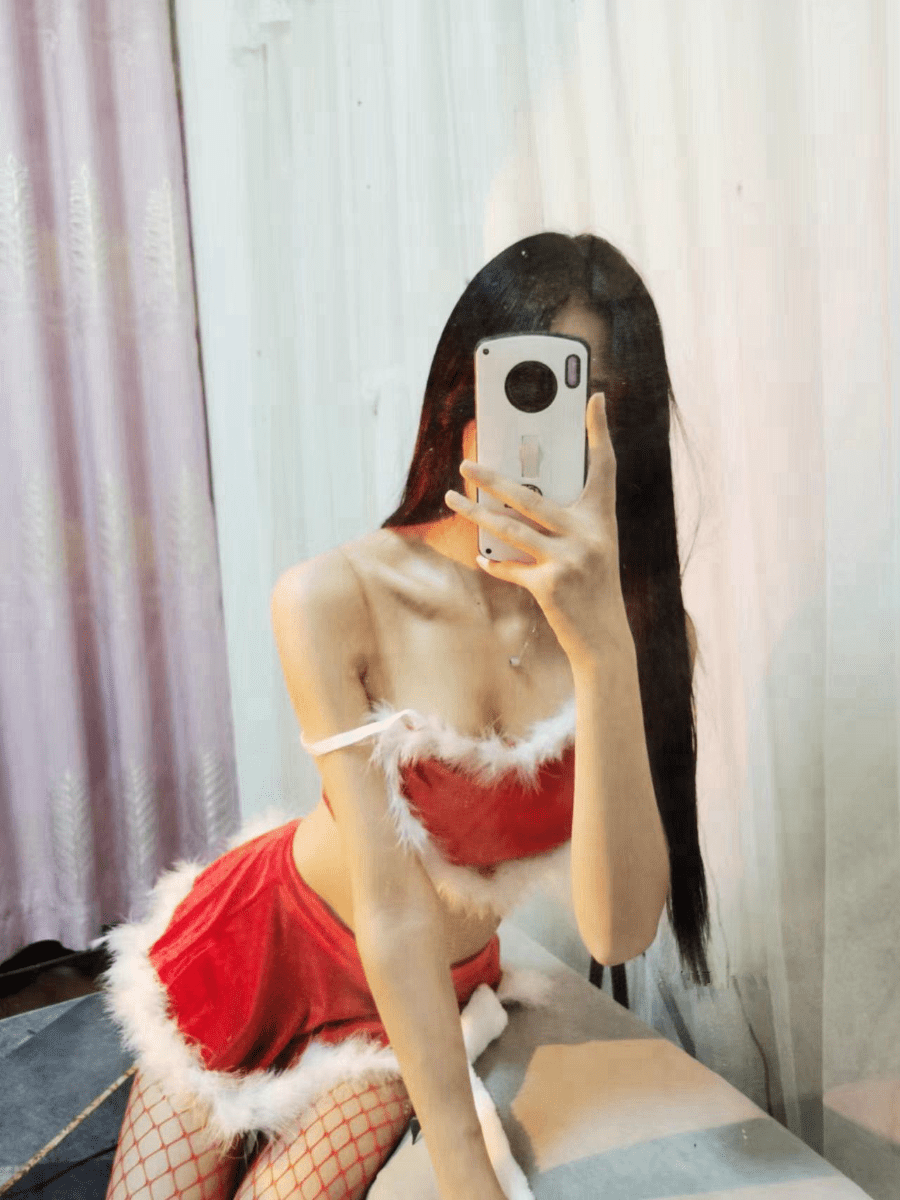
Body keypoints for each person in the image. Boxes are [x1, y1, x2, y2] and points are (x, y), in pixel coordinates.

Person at [102, 231, 710, 1200]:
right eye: (530, 389)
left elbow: (617, 931)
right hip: (258, 946)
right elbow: (388, 904)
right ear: (463, 398)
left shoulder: (639, 635)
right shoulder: (334, 597)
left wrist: (601, 649)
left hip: (414, 993)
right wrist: (465, 1168)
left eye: (600, 403)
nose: (556, 435)